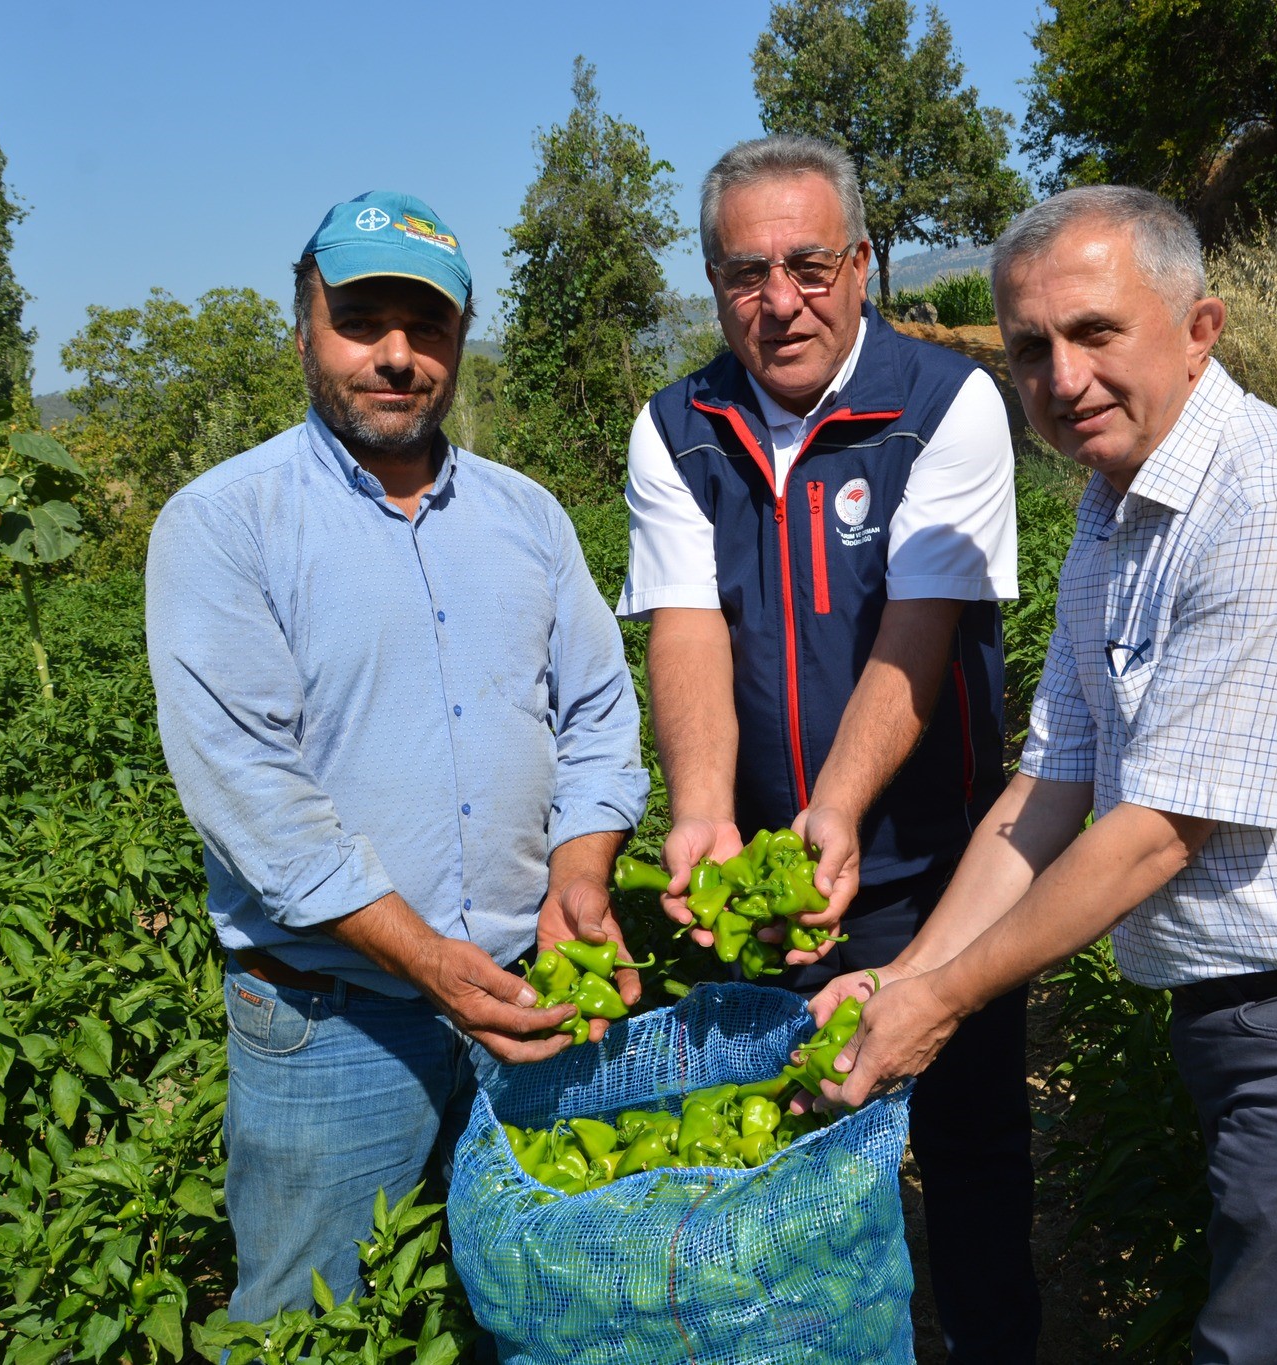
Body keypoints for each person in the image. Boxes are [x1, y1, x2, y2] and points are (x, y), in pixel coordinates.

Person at [813, 185, 1277, 1363]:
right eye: (1030, 348)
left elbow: (1152, 833)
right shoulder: (1112, 514)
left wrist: (942, 1001)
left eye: (1094, 333)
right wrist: (901, 977)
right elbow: (1044, 796)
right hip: (1264, 1010)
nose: (1061, 377)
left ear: (1198, 330)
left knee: (1276, 1344)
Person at [144, 191, 648, 1324]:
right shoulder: (226, 524)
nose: (394, 356)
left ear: (460, 338)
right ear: (304, 326)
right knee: (308, 1322)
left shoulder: (527, 518)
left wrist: (579, 878)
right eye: (361, 319)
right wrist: (425, 958)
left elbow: (600, 719)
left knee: (536, 1299)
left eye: (425, 329)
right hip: (337, 1023)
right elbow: (256, 802)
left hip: (529, 991)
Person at [618, 135, 1039, 1361]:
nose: (779, 299)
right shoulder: (677, 429)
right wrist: (701, 812)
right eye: (746, 271)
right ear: (712, 283)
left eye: (808, 263)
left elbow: (920, 631)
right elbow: (685, 627)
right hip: (771, 885)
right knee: (789, 1149)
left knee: (968, 1155)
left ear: (861, 264)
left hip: (935, 870)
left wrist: (841, 810)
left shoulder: (941, 407)